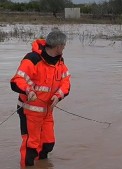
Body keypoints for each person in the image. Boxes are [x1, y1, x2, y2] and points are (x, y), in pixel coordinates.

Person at [10, 30, 71, 167]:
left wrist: (58, 96)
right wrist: (28, 90)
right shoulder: (32, 59)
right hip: (29, 111)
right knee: (31, 146)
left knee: (48, 144)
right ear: (59, 46)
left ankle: (42, 164)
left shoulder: (60, 62)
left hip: (47, 112)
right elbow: (16, 80)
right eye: (64, 46)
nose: (64, 49)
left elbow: (66, 81)